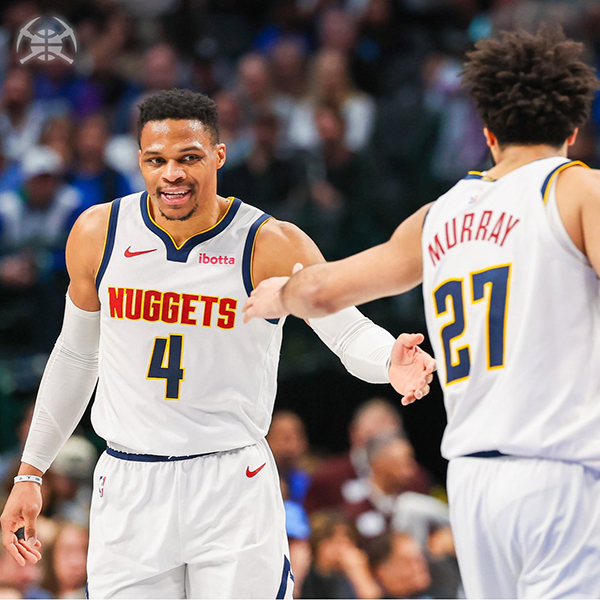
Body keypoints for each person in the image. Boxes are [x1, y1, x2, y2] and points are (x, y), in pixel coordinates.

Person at [0, 88, 435, 599]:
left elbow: (346, 330)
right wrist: (31, 472)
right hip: (130, 479)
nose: (172, 174)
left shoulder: (269, 242)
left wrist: (389, 360)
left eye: (189, 158)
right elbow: (76, 356)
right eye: (156, 160)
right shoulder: (100, 232)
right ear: (139, 160)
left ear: (219, 155)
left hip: (231, 480)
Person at [244, 26, 600, 598]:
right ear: (574, 131)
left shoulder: (441, 214)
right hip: (564, 470)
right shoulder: (579, 191)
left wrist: (279, 295)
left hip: (474, 481)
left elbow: (322, 291)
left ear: (487, 133)